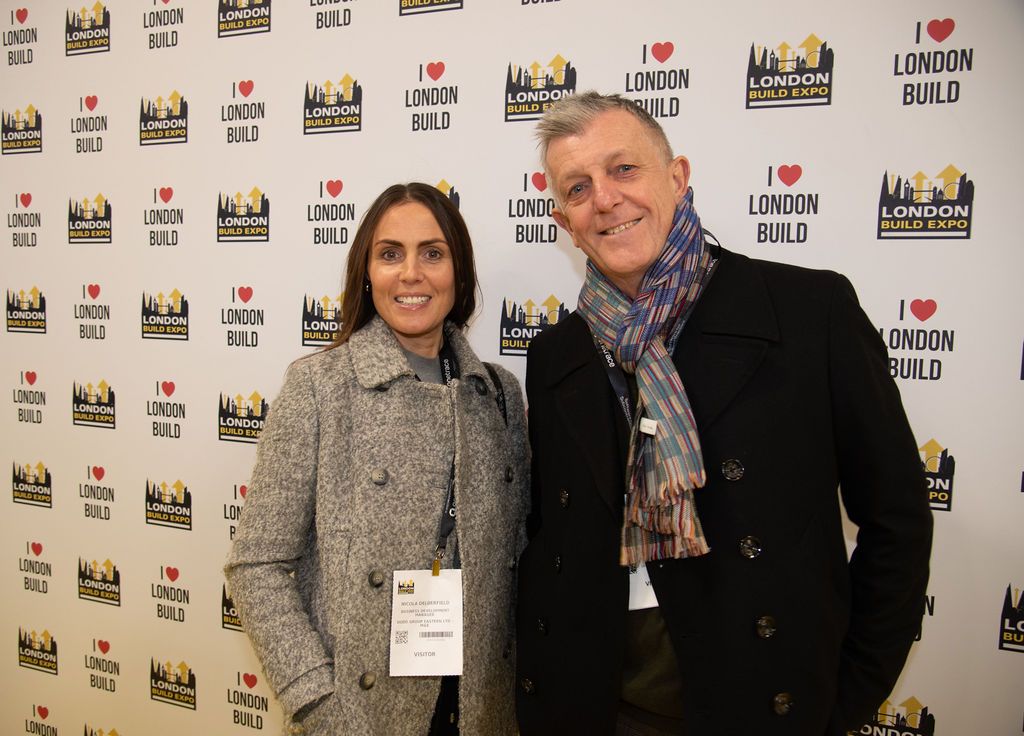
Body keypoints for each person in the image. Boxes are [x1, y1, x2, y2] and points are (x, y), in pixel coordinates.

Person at [514, 92, 933, 736]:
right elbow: (552, 539)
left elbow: (897, 520)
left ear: (677, 177)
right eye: (578, 188)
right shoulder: (555, 356)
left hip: (763, 704)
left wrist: (842, 702)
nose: (605, 199)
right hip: (599, 710)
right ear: (564, 220)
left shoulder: (809, 313)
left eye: (624, 169)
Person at [225, 183, 529, 736]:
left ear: (459, 273)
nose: (411, 273)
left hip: (480, 711)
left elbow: (519, 558)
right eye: (391, 254)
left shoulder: (499, 395)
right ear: (367, 273)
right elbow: (256, 566)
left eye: (432, 253)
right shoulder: (319, 387)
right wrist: (318, 703)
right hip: (359, 716)